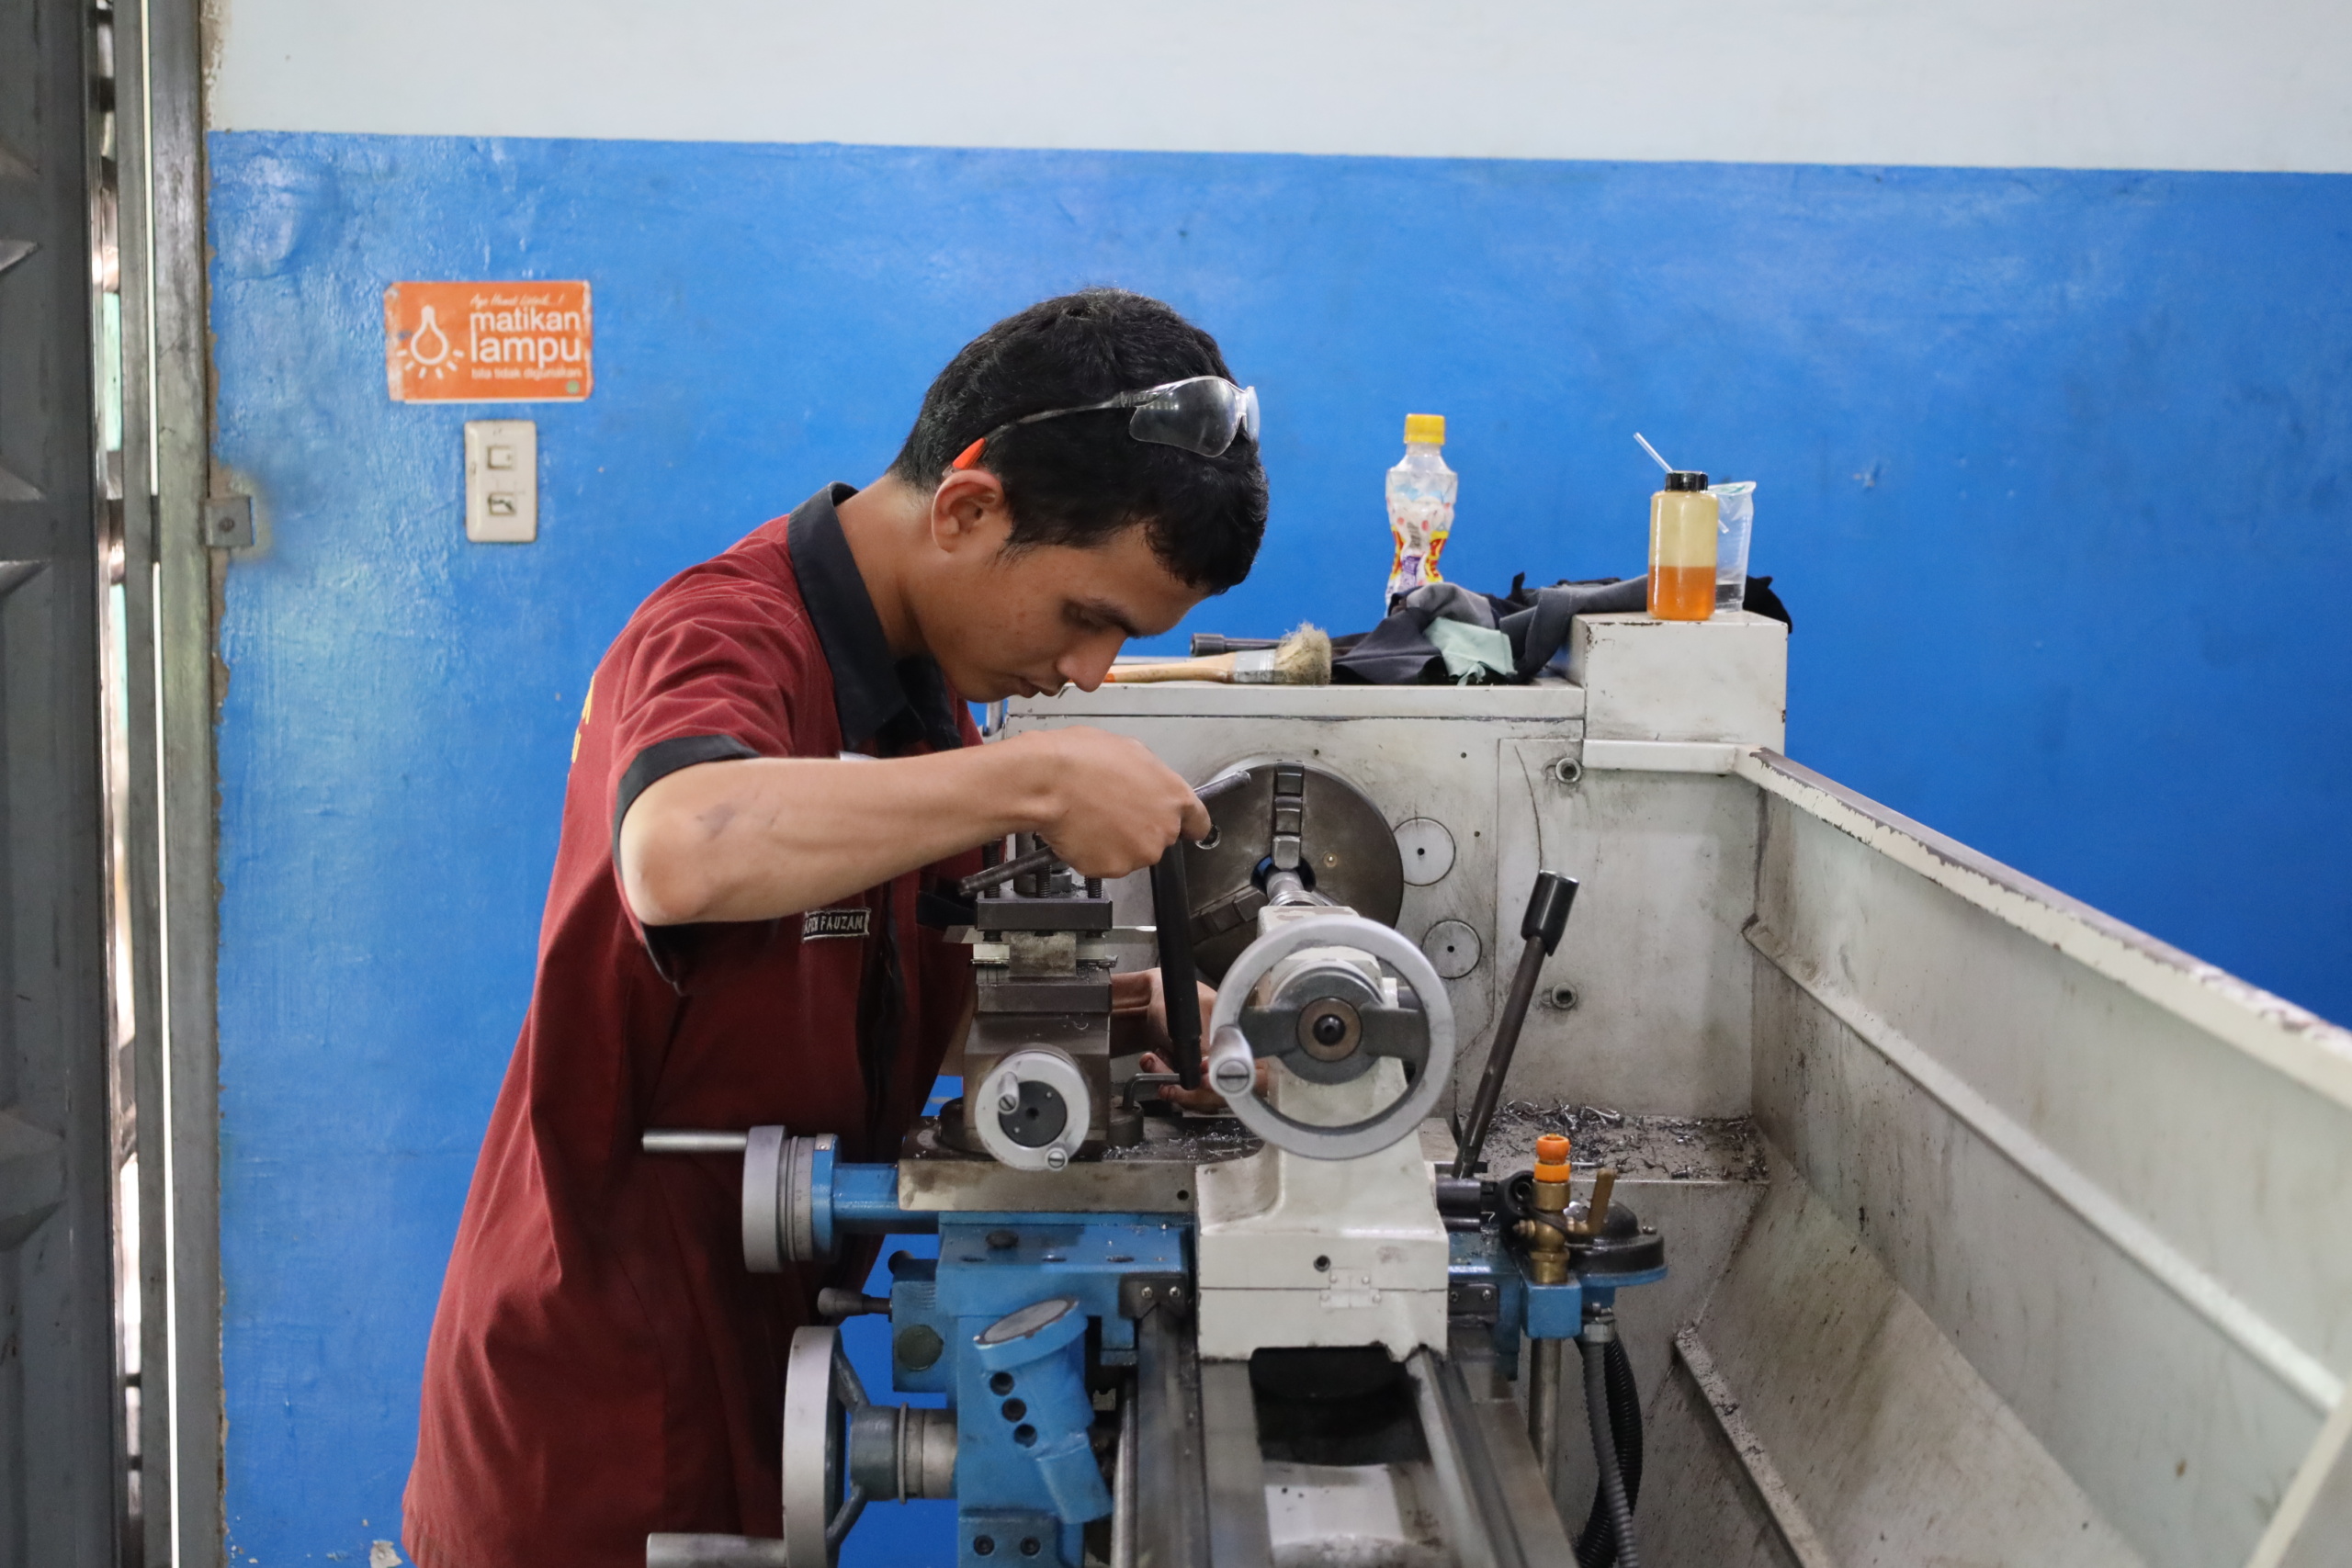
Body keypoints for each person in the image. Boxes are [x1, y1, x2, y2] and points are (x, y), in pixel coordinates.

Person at [402, 289, 1268, 1568]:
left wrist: (1123, 1014)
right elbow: (680, 848)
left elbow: (878, 982)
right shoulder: (726, 630)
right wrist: (1036, 779)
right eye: (1088, 617)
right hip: (602, 1406)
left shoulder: (924, 706)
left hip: (753, 1354)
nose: (1090, 671)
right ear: (968, 509)